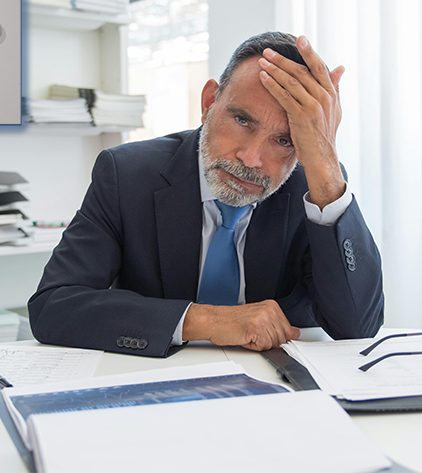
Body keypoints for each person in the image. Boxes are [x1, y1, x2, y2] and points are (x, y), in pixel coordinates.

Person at [28, 32, 384, 357]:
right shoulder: (127, 175)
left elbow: (358, 327)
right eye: (242, 121)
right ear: (209, 101)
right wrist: (206, 320)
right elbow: (54, 306)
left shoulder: (315, 187)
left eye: (284, 140)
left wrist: (325, 166)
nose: (251, 158)